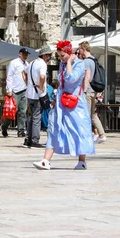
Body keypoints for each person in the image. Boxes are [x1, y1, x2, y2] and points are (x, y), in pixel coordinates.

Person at [33, 40, 95, 170]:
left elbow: (71, 78)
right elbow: (61, 83)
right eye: (60, 56)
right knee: (55, 127)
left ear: (69, 52)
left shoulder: (79, 64)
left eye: (63, 56)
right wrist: (55, 98)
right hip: (62, 103)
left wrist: (68, 63)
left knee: (79, 129)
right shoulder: (62, 64)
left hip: (76, 104)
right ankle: (46, 160)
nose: (61, 58)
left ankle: (82, 161)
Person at [25, 45, 52, 148]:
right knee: (37, 117)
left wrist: (27, 84)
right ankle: (35, 140)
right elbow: (42, 76)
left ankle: (28, 138)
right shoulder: (42, 64)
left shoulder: (32, 63)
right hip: (38, 95)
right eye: (49, 55)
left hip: (29, 93)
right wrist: (41, 87)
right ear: (45, 55)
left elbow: (24, 73)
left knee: (30, 117)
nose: (50, 57)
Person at [79, 41, 106, 144]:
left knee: (86, 114)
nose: (79, 51)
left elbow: (87, 77)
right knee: (92, 114)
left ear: (84, 49)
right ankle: (101, 134)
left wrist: (84, 91)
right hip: (94, 90)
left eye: (80, 49)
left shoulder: (86, 62)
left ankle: (87, 136)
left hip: (89, 91)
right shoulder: (94, 60)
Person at [4, 48, 29, 138]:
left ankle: (21, 130)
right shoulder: (14, 63)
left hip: (24, 90)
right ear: (20, 54)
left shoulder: (27, 64)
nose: (26, 56)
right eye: (24, 54)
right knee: (12, 111)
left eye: (27, 55)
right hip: (15, 90)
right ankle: (4, 127)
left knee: (23, 111)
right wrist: (9, 89)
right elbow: (9, 76)